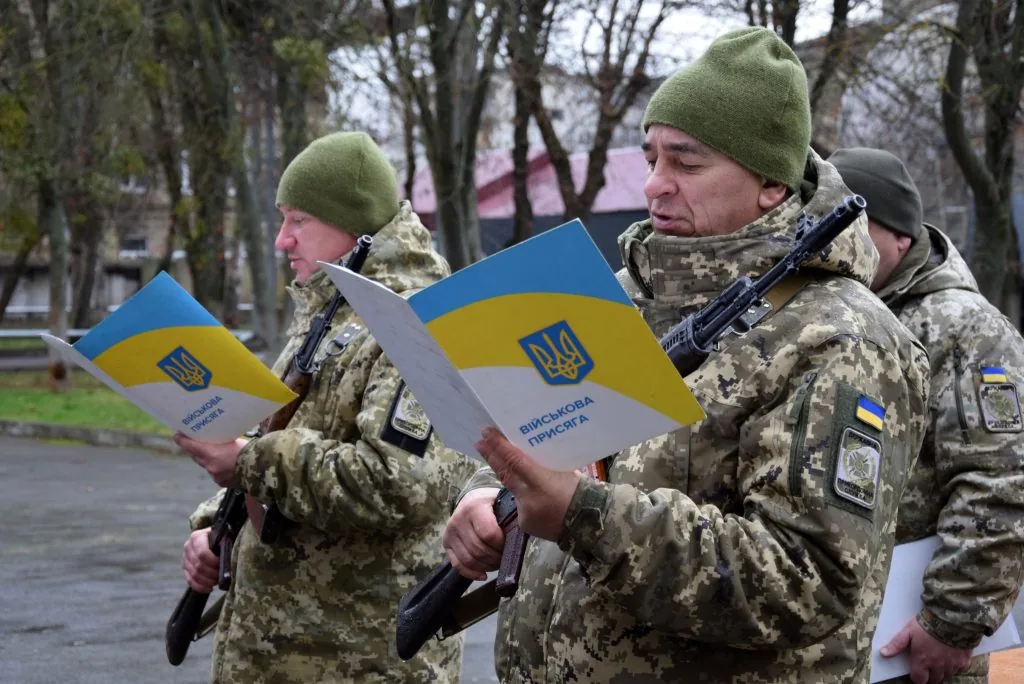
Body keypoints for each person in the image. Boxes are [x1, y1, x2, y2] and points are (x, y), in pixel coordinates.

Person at [441, 27, 932, 683]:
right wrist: (488, 498)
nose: (653, 186)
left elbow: (806, 580)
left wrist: (583, 518)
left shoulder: (841, 336)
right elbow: (543, 437)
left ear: (770, 184)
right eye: (651, 160)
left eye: (686, 163)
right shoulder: (613, 300)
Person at [174, 131, 478, 683]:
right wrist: (213, 532)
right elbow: (270, 439)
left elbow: (400, 483)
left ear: (353, 225)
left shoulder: (413, 321)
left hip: (359, 659)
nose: (281, 241)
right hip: (285, 650)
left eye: (298, 221)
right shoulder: (328, 312)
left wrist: (248, 461)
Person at [831, 147, 1024, 684]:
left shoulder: (964, 328)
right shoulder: (833, 315)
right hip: (844, 636)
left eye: (857, 228)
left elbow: (1000, 484)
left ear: (901, 235)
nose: (841, 245)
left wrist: (949, 624)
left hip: (918, 644)